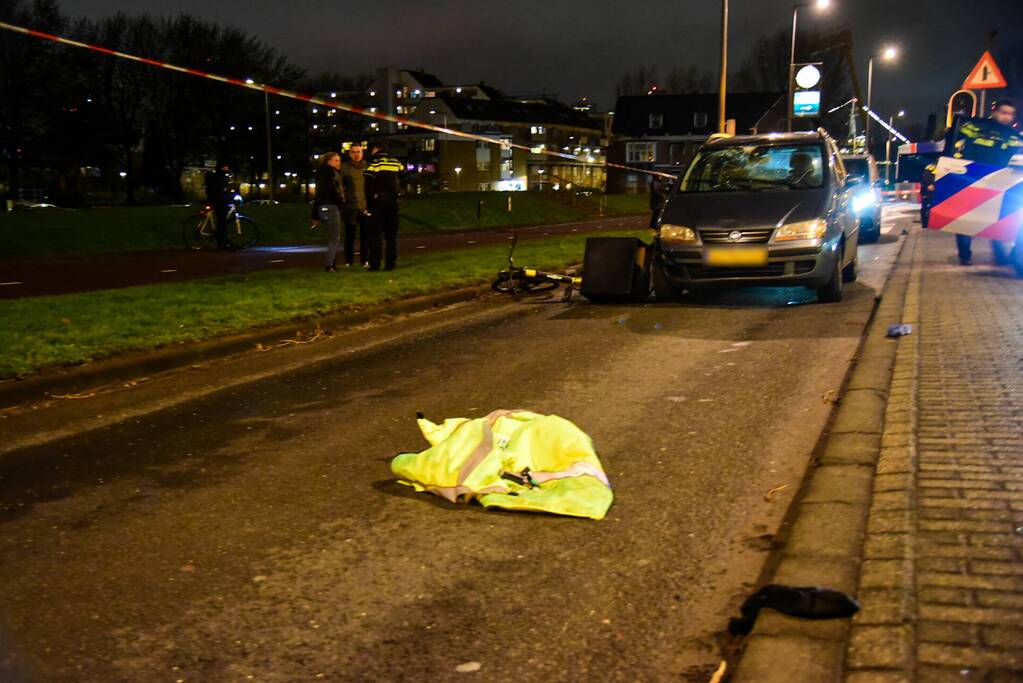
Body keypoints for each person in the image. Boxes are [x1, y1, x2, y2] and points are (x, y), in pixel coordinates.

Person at [955, 98, 1017, 266]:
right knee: (966, 219)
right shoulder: (976, 127)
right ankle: (965, 255)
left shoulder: (1012, 136)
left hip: (1000, 180)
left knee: (996, 218)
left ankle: (1000, 256)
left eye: (1010, 114)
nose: (1007, 117)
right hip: (972, 177)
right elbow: (955, 137)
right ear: (994, 112)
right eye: (1004, 113)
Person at [364, 140, 405, 271]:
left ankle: (375, 264)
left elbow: (368, 182)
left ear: (376, 149)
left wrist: (370, 202)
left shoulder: (375, 163)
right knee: (391, 236)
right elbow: (404, 174)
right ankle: (390, 264)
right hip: (392, 203)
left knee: (375, 235)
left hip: (378, 203)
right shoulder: (395, 162)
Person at [311, 151, 346, 272]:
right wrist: (341, 201)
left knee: (332, 237)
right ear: (329, 162)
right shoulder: (331, 173)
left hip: (323, 208)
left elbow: (318, 196)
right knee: (335, 238)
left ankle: (331, 264)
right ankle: (329, 265)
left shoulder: (320, 175)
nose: (339, 162)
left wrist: (315, 215)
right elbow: (333, 190)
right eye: (336, 160)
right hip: (331, 207)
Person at [341, 144, 369, 267]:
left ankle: (365, 260)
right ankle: (348, 261)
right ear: (349, 154)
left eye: (358, 152)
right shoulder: (344, 168)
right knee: (349, 235)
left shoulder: (368, 167)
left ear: (362, 153)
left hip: (365, 205)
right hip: (350, 205)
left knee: (365, 236)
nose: (356, 154)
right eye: (353, 152)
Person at [204, 162, 233, 249]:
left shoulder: (220, 176)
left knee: (222, 222)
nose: (227, 169)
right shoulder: (219, 177)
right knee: (222, 222)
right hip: (218, 202)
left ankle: (220, 241)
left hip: (218, 201)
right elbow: (219, 192)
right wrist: (227, 198)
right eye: (225, 167)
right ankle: (222, 241)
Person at [919, 164, 936, 228]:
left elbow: (923, 182)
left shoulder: (929, 169)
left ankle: (925, 224)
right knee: (925, 209)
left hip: (928, 194)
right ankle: (925, 224)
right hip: (927, 194)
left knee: (925, 209)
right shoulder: (930, 170)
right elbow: (923, 183)